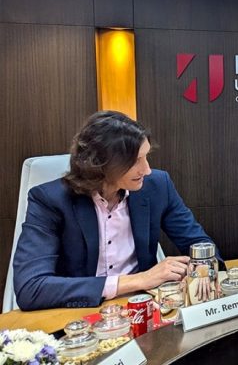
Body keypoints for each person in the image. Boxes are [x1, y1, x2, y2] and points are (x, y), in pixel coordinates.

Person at [13, 111, 224, 310]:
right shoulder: (50, 200)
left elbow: (199, 243)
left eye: (146, 157)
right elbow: (31, 288)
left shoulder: (157, 186)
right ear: (99, 164)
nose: (147, 170)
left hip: (143, 311)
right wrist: (137, 280)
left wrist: (202, 270)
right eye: (135, 161)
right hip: (78, 319)